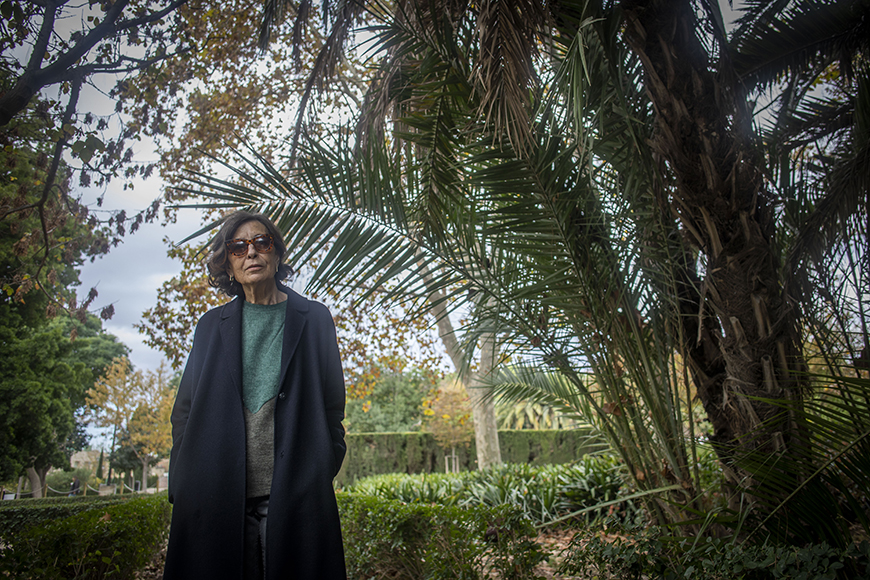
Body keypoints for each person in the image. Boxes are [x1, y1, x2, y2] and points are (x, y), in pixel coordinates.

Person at [163, 211, 347, 580]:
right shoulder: (210, 327)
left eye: (262, 243)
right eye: (238, 247)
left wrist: (319, 468)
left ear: (277, 254)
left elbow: (332, 407)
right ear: (228, 263)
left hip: (294, 494)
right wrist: (183, 483)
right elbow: (184, 411)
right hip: (214, 495)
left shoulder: (314, 319)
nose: (251, 253)